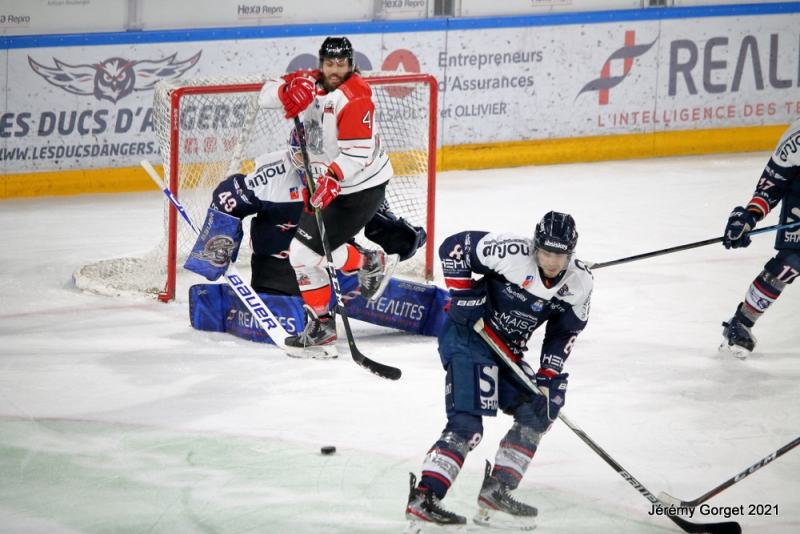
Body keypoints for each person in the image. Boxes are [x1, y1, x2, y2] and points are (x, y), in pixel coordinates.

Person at [403, 212, 593, 532]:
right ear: (535, 246)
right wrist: (462, 295)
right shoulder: (510, 251)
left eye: (559, 255)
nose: (551, 261)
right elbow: (454, 247)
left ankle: (497, 491)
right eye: (546, 252)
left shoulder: (579, 281)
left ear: (570, 253)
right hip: (468, 338)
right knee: (468, 423)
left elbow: (564, 332)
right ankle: (424, 497)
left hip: (507, 351)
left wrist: (549, 373)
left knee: (539, 411)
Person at [257, 36, 395, 353]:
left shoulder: (356, 95)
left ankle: (367, 262)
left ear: (351, 64)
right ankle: (323, 322)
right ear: (321, 63)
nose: (335, 70)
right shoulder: (308, 81)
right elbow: (264, 96)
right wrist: (285, 91)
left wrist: (331, 178)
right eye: (330, 64)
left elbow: (358, 154)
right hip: (326, 183)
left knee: (302, 254)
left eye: (342, 64)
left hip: (360, 187)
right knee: (302, 257)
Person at [720, 117, 800, 357]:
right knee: (791, 261)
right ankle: (741, 323)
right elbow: (771, 185)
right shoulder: (796, 140)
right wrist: (750, 216)